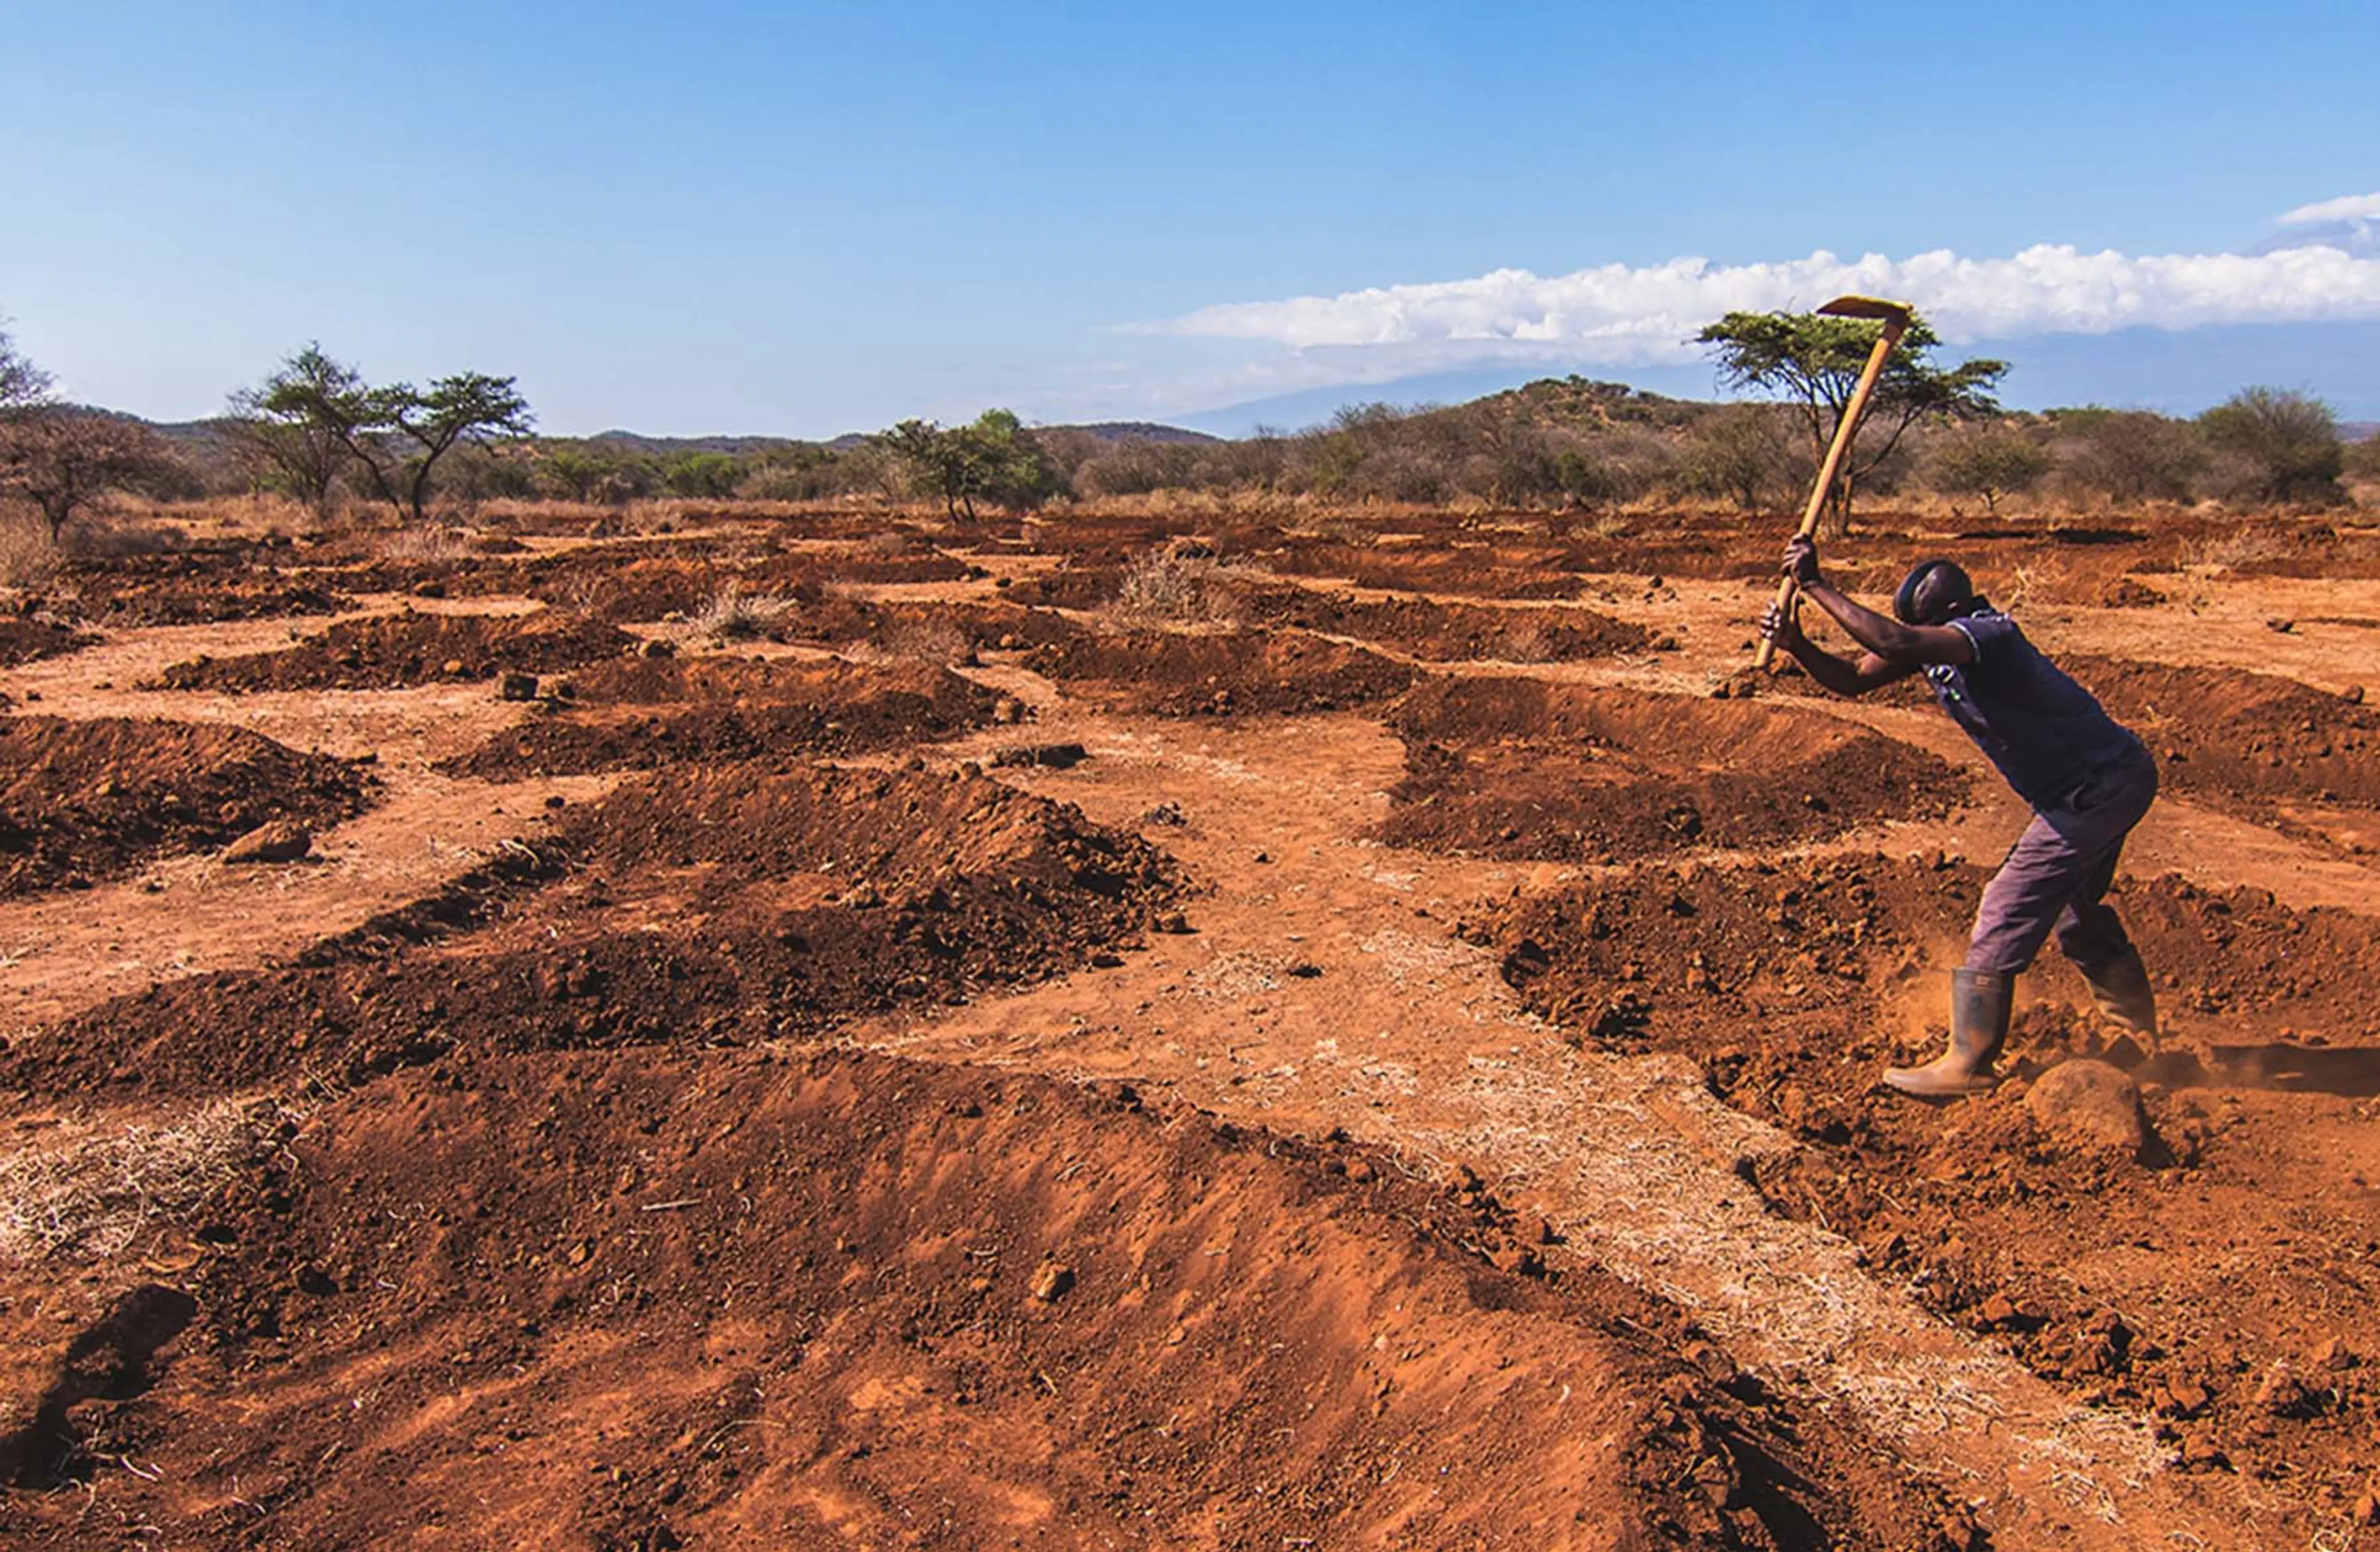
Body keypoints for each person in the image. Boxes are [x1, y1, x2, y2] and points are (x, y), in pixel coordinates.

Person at [1756, 536, 2161, 1098]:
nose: (1917, 645)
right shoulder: (1936, 645)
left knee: (2006, 902)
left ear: (1947, 616)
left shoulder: (1988, 635)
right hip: (2094, 785)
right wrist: (1797, 644)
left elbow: (1894, 639)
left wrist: (1816, 584)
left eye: (1924, 632)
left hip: (2101, 785)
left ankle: (1968, 1065)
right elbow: (1854, 677)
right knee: (2072, 910)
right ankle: (2138, 1038)